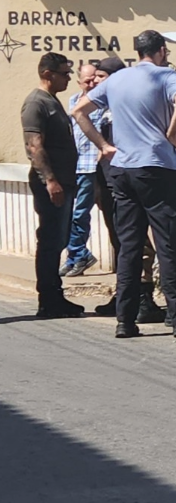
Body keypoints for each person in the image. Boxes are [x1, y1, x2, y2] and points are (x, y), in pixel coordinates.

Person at [72, 31, 176, 339]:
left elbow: (78, 111)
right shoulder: (165, 76)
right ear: (162, 51)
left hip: (122, 169)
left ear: (138, 51)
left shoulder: (116, 79)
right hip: (157, 167)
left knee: (129, 246)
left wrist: (103, 145)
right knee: (169, 244)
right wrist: (171, 133)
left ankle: (125, 321)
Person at [23, 53, 114, 318]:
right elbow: (34, 146)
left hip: (65, 180)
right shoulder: (36, 103)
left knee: (59, 238)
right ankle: (49, 299)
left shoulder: (52, 101)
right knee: (51, 240)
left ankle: (54, 295)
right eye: (64, 73)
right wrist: (50, 180)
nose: (68, 78)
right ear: (48, 74)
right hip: (52, 183)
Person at [89, 57, 167, 323]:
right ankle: (126, 298)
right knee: (123, 244)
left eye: (100, 77)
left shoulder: (126, 106)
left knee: (141, 244)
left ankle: (144, 299)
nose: (95, 82)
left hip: (132, 180)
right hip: (111, 182)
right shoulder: (104, 107)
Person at [60, 64, 103, 278]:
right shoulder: (73, 101)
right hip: (76, 165)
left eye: (95, 78)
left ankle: (78, 255)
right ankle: (76, 255)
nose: (92, 83)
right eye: (87, 81)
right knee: (69, 214)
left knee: (79, 214)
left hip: (92, 166)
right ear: (79, 83)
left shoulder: (103, 102)